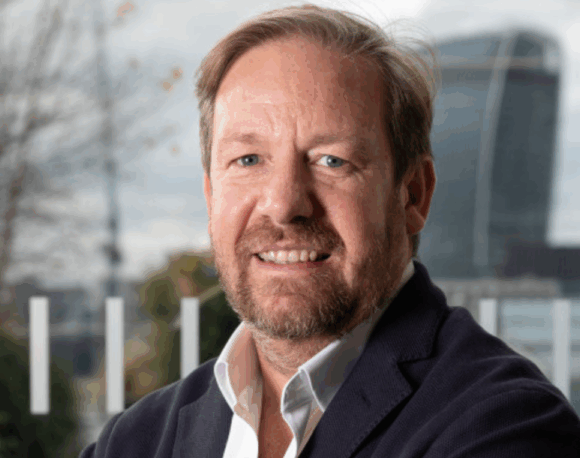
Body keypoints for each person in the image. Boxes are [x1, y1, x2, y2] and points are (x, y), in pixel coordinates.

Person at [80, 4, 580, 457]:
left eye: (331, 161)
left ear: (413, 195)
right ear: (212, 196)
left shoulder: (504, 427)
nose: (283, 205)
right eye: (248, 159)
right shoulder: (135, 440)